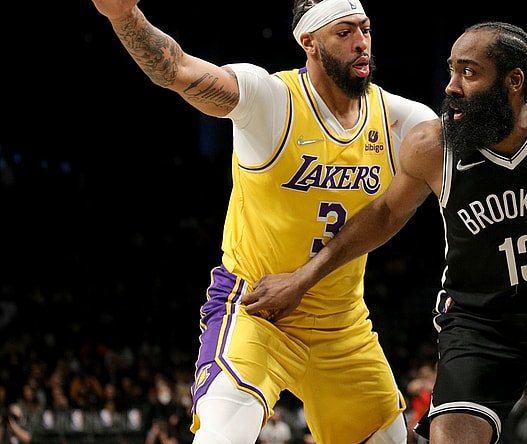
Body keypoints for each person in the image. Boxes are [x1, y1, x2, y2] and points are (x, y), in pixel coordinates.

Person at [243, 21, 527, 444]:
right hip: (481, 321)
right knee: (453, 436)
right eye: (452, 71)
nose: (451, 87)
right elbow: (382, 215)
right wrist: (302, 278)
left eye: (469, 73)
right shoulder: (432, 146)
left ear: (513, 81)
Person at [90, 0, 439, 442]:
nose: (362, 43)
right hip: (257, 308)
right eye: (345, 32)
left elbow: (405, 206)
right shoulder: (270, 99)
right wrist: (123, 16)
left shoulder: (404, 122)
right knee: (221, 437)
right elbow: (175, 70)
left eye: (365, 29)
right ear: (308, 42)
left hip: (341, 321)